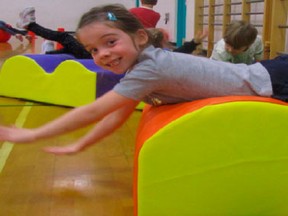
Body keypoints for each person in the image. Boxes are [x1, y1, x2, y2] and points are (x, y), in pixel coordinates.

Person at [0, 4, 287, 155]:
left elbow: (95, 110)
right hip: (270, 75)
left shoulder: (149, 69)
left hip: (273, 81)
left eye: (110, 41)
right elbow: (117, 116)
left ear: (139, 37)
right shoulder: (140, 71)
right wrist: (82, 144)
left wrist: (34, 134)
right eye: (93, 50)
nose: (103, 54)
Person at [16, 7, 92, 59]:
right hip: (88, 54)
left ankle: (30, 25)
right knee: (68, 49)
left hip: (89, 55)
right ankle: (47, 54)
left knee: (64, 37)